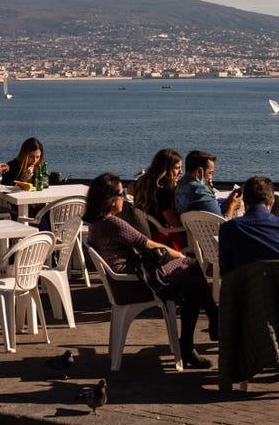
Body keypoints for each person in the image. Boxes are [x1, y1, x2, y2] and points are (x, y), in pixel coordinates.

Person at [84, 172, 218, 369]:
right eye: (121, 195)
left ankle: (195, 340)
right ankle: (209, 326)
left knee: (194, 286)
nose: (124, 199)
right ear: (111, 200)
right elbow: (149, 244)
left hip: (125, 283)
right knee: (192, 265)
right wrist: (180, 256)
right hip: (135, 286)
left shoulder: (96, 223)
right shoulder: (113, 223)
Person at [218, 175, 279, 378]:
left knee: (263, 296)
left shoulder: (229, 230)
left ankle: (271, 356)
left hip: (251, 303)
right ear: (272, 204)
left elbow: (226, 272)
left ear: (244, 203)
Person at [126, 148, 187, 249]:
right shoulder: (164, 190)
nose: (181, 171)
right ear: (166, 169)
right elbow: (173, 221)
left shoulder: (141, 183)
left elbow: (129, 190)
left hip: (145, 235)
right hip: (163, 238)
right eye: (177, 168)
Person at [175, 149, 242, 220]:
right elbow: (223, 223)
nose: (211, 177)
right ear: (199, 172)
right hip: (212, 229)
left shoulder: (180, 185)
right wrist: (232, 207)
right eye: (210, 173)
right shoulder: (201, 192)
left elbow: (210, 210)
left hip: (192, 229)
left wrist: (228, 202)